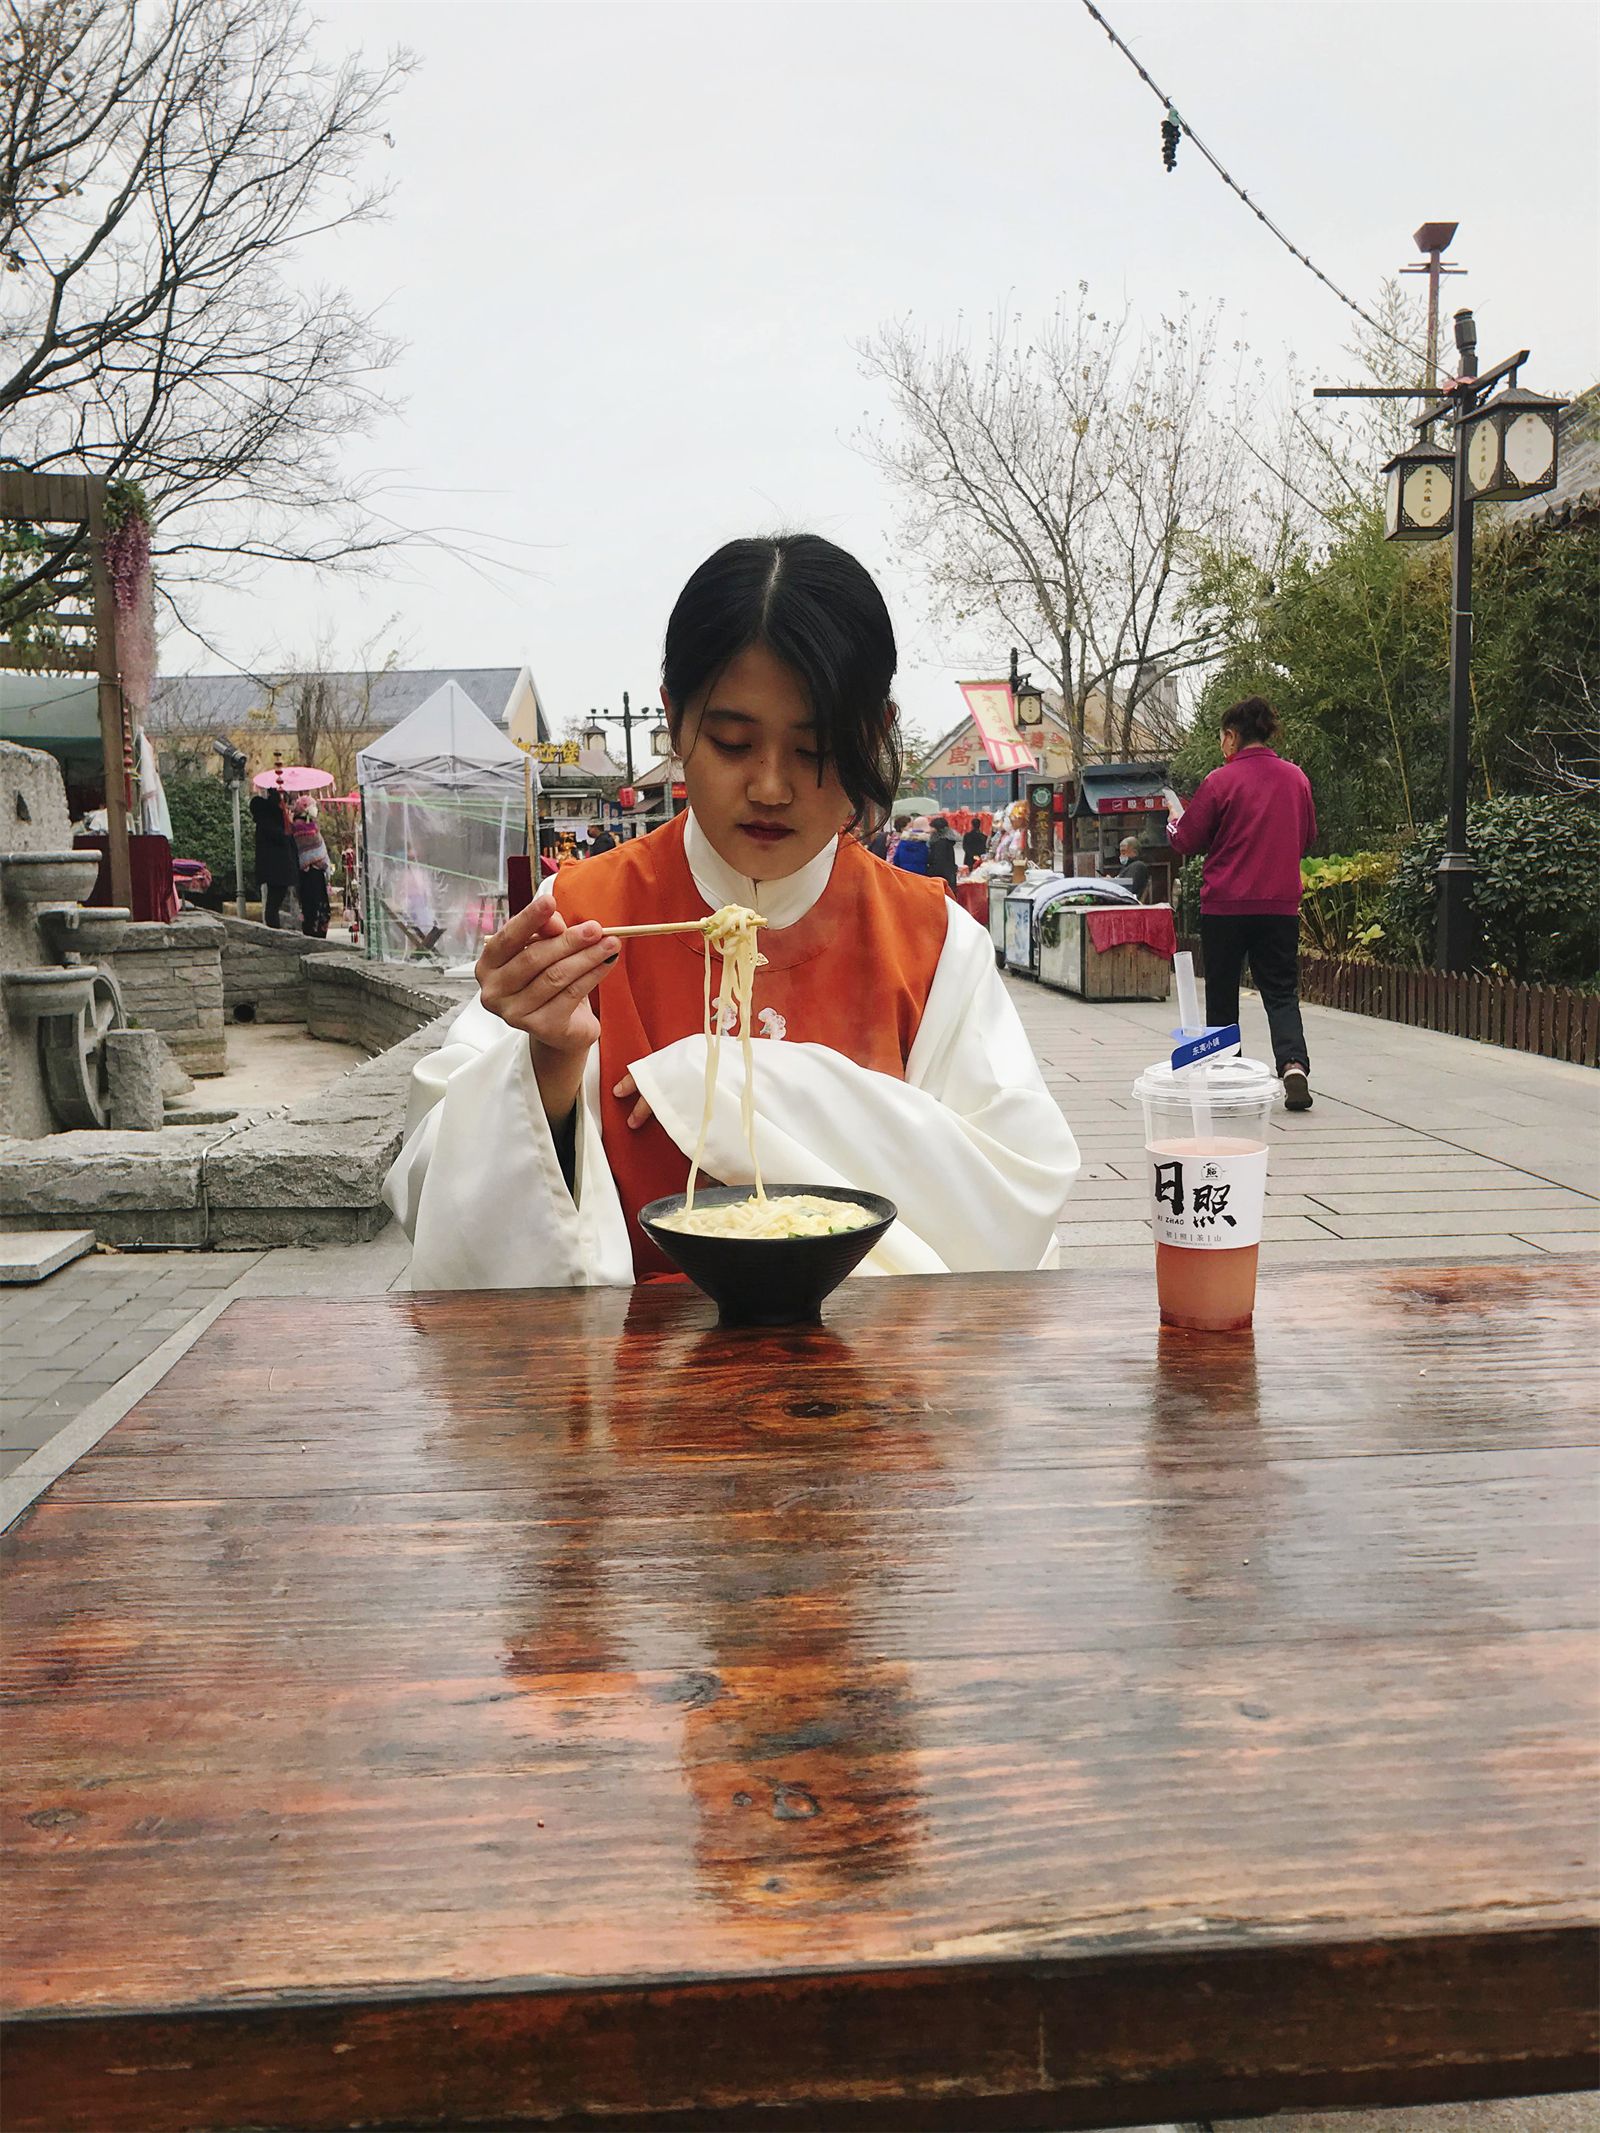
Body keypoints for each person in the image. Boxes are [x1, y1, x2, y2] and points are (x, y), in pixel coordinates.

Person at [385, 532, 1081, 1288]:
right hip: (629, 1385)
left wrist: (712, 1081)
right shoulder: (579, 921)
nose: (772, 786)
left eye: (815, 749)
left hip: (869, 1380)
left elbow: (1011, 1203)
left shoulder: (933, 943)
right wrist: (545, 1067)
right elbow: (435, 1196)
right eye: (731, 741)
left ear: (875, 734)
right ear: (675, 721)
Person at [1165, 695, 1317, 1111]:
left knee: (1222, 992)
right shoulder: (1296, 779)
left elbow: (1187, 840)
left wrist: (1173, 819)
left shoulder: (1220, 781)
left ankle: (1226, 1074)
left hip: (1226, 905)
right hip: (1280, 904)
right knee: (1281, 991)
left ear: (1231, 736)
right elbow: (1306, 838)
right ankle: (1293, 1065)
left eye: (1222, 738)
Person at [249, 787, 298, 929]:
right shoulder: (270, 823)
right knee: (273, 904)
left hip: (274, 870)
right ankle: (274, 932)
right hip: (278, 870)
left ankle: (274, 929)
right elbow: (283, 839)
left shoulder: (266, 823)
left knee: (273, 903)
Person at [290, 800, 331, 937]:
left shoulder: (311, 824)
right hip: (309, 873)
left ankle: (317, 930)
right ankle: (315, 933)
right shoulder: (298, 826)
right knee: (312, 906)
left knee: (317, 906)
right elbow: (310, 845)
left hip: (314, 873)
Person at [926, 815, 959, 891]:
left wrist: (929, 872)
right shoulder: (948, 841)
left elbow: (938, 862)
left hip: (940, 878)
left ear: (937, 830)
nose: (930, 830)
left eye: (932, 828)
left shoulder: (940, 843)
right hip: (949, 876)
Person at [1113, 836, 1150, 901]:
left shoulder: (1138, 866)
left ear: (1134, 852)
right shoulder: (1127, 867)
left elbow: (1129, 889)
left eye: (1124, 852)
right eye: (1120, 852)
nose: (1121, 855)